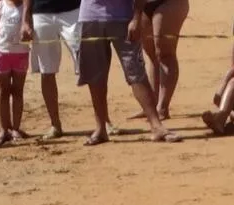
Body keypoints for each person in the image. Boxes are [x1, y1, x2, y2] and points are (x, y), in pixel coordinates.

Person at [76, 0, 178, 143]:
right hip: (90, 16)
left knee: (136, 72)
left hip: (122, 18)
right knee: (95, 76)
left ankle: (156, 126)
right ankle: (101, 129)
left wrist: (136, 18)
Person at [19, 0, 80, 139]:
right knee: (46, 71)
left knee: (88, 66)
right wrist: (25, 19)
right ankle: (55, 125)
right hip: (41, 13)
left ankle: (103, 121)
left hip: (72, 11)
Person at [137, 0, 187, 119]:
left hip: (169, 3)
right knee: (152, 55)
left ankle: (163, 107)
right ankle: (152, 105)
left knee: (165, 54)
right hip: (142, 4)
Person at [0, 0, 27, 142]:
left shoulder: (25, 7)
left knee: (18, 90)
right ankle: (4, 129)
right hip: (2, 53)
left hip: (21, 53)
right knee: (3, 91)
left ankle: (16, 128)